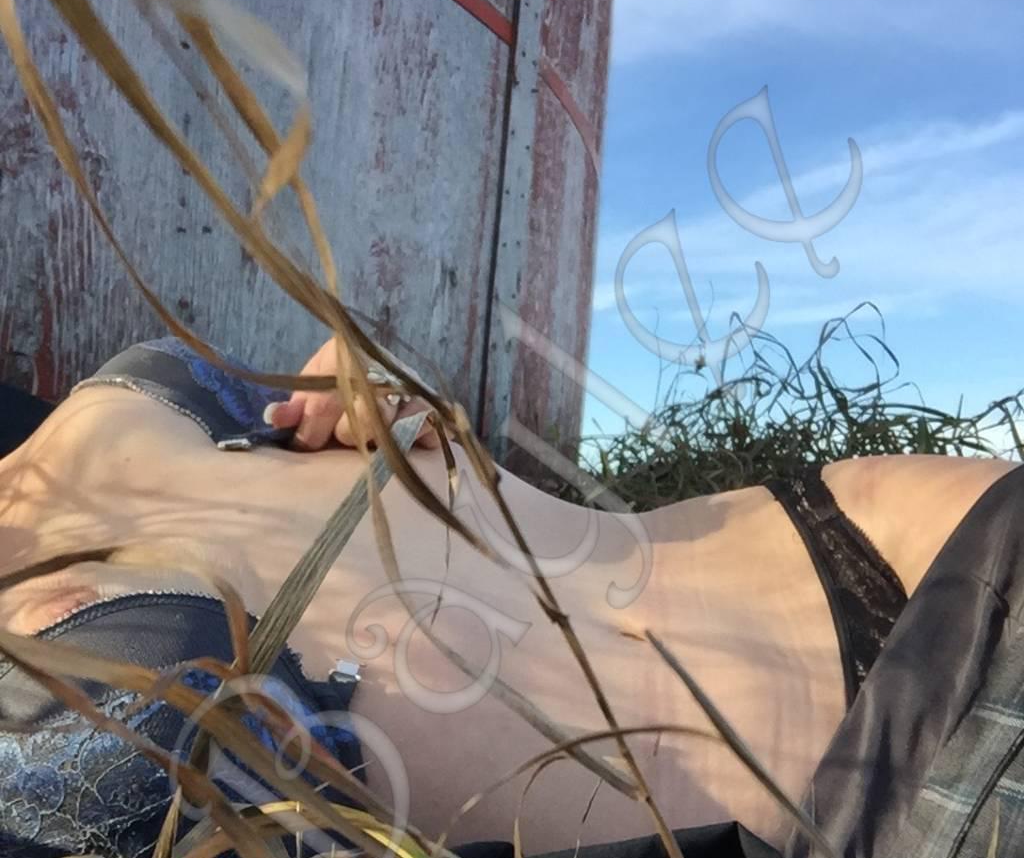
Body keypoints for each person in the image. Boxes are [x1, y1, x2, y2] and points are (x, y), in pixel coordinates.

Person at [0, 335, 1016, 858]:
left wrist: (384, 396)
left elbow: (361, 411)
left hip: (893, 542)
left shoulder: (117, 388)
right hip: (888, 813)